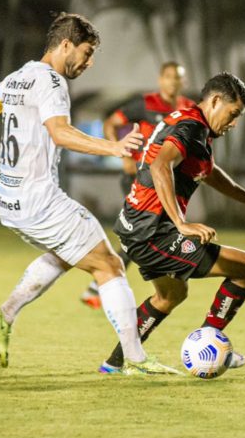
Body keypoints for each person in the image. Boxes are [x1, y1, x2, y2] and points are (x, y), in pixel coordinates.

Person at [0, 12, 177, 375]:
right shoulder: (51, 82)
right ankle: (135, 360)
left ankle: (4, 315)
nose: (89, 62)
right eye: (86, 51)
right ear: (65, 45)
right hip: (39, 200)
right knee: (109, 264)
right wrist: (115, 148)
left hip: (9, 201)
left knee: (67, 254)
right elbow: (60, 133)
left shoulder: (18, 78)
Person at [97, 71, 245, 373]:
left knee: (171, 295)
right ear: (214, 101)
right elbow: (161, 165)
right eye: (233, 113)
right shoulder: (191, 126)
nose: (234, 122)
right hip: (152, 231)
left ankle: (115, 362)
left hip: (135, 227)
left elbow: (208, 172)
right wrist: (181, 223)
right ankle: (210, 342)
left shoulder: (192, 124)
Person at [78, 61, 196, 309]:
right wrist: (123, 155)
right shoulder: (145, 104)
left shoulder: (188, 108)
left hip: (165, 182)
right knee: (143, 235)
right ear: (160, 79)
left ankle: (102, 286)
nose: (173, 81)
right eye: (169, 76)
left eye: (178, 78)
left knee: (146, 236)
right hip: (139, 179)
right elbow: (111, 123)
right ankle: (102, 286)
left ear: (183, 82)